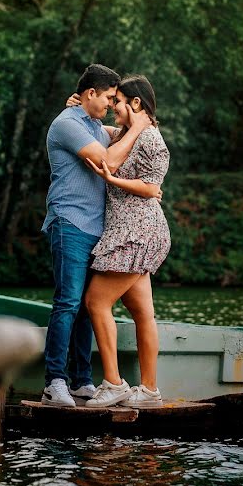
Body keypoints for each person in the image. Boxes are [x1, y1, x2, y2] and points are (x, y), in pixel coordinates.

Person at [40, 64, 152, 407]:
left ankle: (82, 381)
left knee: (89, 308)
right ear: (90, 93)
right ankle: (54, 382)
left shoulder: (89, 123)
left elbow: (117, 133)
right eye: (107, 97)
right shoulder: (68, 124)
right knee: (69, 302)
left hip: (96, 229)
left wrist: (139, 120)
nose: (109, 104)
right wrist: (139, 128)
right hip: (69, 223)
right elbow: (107, 161)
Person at [77, 75, 171, 408]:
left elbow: (114, 164)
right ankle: (148, 391)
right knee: (142, 311)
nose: (112, 106)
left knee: (95, 302)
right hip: (130, 229)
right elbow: (104, 138)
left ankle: (114, 383)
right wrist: (79, 110)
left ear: (135, 103)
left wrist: (113, 177)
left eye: (117, 100)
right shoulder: (130, 134)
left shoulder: (150, 139)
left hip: (138, 233)